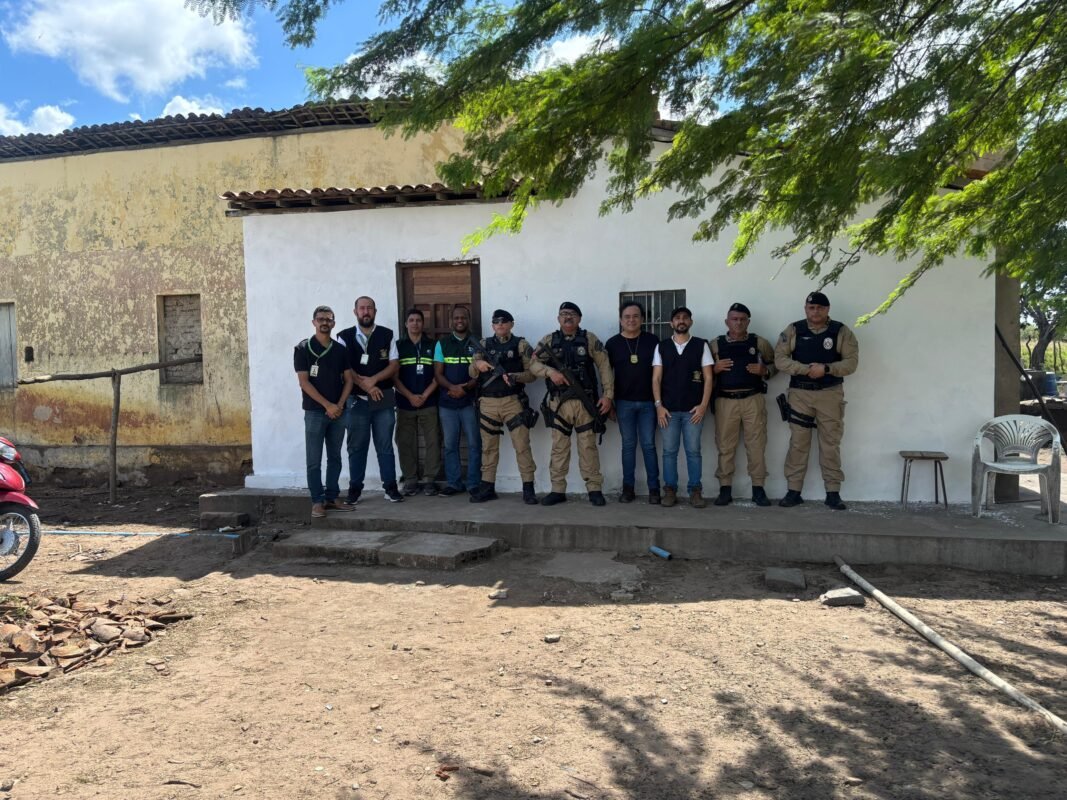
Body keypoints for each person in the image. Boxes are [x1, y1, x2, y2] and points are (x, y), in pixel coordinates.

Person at [774, 291, 860, 510]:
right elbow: (780, 359)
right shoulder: (794, 329)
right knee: (798, 443)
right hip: (800, 394)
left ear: (827, 309)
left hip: (830, 393)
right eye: (811, 308)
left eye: (820, 308)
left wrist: (827, 369)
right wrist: (806, 369)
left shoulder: (840, 331)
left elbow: (851, 363)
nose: (815, 311)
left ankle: (833, 492)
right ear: (806, 309)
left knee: (830, 443)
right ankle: (794, 491)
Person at [530, 302, 614, 506]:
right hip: (559, 403)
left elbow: (604, 366)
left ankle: (594, 489)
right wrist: (550, 372)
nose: (568, 317)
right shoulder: (549, 340)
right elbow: (532, 364)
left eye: (572, 314)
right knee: (559, 447)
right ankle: (557, 490)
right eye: (563, 314)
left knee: (588, 447)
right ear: (558, 318)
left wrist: (608, 396)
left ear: (579, 318)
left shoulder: (589, 339)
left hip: (585, 402)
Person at [709, 302, 777, 506]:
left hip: (752, 400)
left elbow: (776, 363)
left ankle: (758, 489)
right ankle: (725, 489)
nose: (738, 323)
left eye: (742, 319)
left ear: (748, 321)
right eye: (734, 319)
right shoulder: (715, 345)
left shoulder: (759, 343)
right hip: (725, 401)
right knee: (725, 446)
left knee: (756, 445)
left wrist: (765, 371)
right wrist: (714, 369)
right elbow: (701, 372)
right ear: (726, 321)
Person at [337, 296, 403, 504]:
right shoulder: (344, 337)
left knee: (385, 446)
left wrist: (374, 380)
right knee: (356, 447)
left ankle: (390, 488)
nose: (366, 312)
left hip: (383, 398)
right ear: (355, 311)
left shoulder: (387, 334)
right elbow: (344, 367)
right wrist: (366, 386)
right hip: (356, 400)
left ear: (375, 311)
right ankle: (355, 489)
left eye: (369, 308)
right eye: (362, 308)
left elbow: (394, 364)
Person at [468, 309, 538, 504]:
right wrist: (478, 364)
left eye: (504, 321)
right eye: (496, 322)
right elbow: (472, 372)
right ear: (492, 325)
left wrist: (515, 377)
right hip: (488, 403)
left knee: (522, 446)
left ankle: (528, 488)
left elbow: (532, 374)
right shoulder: (483, 345)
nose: (500, 324)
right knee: (488, 448)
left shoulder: (521, 344)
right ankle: (487, 488)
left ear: (511, 324)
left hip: (512, 401)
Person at [293, 306, 356, 518]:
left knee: (335, 457)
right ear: (314, 322)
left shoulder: (340, 350)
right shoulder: (303, 349)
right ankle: (317, 501)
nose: (324, 322)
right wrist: (328, 405)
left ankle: (332, 497)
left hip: (338, 413)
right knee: (314, 460)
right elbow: (304, 382)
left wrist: (339, 405)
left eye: (328, 319)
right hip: (314, 412)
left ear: (333, 323)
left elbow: (349, 380)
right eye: (320, 319)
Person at [652, 306, 713, 508]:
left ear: (690, 322)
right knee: (669, 452)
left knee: (693, 451)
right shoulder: (662, 346)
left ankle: (695, 491)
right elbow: (656, 378)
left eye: (685, 318)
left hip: (692, 411)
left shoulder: (701, 345)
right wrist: (659, 406)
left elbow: (708, 377)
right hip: (668, 411)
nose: (681, 321)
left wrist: (703, 406)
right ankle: (670, 490)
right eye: (677, 318)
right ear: (671, 323)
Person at [605, 301, 661, 504]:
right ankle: (628, 488)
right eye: (627, 317)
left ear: (642, 319)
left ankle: (654, 489)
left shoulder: (653, 341)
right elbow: (606, 375)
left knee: (648, 445)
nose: (631, 320)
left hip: (649, 403)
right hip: (623, 402)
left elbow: (660, 373)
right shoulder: (612, 344)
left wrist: (660, 402)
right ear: (621, 320)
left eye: (636, 316)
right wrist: (609, 402)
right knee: (628, 446)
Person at [433, 305, 482, 497]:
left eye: (463, 318)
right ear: (451, 321)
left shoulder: (477, 342)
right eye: (456, 318)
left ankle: (473, 483)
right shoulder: (442, 343)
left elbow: (480, 373)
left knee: (474, 444)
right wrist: (453, 388)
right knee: (450, 445)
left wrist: (465, 388)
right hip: (447, 403)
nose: (460, 321)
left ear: (468, 320)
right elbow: (438, 374)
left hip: (469, 402)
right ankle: (454, 484)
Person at [394, 308, 441, 496]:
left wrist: (424, 395)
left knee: (433, 441)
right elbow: (394, 377)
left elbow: (438, 374)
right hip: (405, 403)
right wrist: (410, 396)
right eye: (411, 320)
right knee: (404, 442)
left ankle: (430, 480)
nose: (415, 323)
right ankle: (410, 480)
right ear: (406, 324)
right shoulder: (398, 346)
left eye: (418, 320)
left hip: (429, 402)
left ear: (423, 323)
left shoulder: (433, 345)